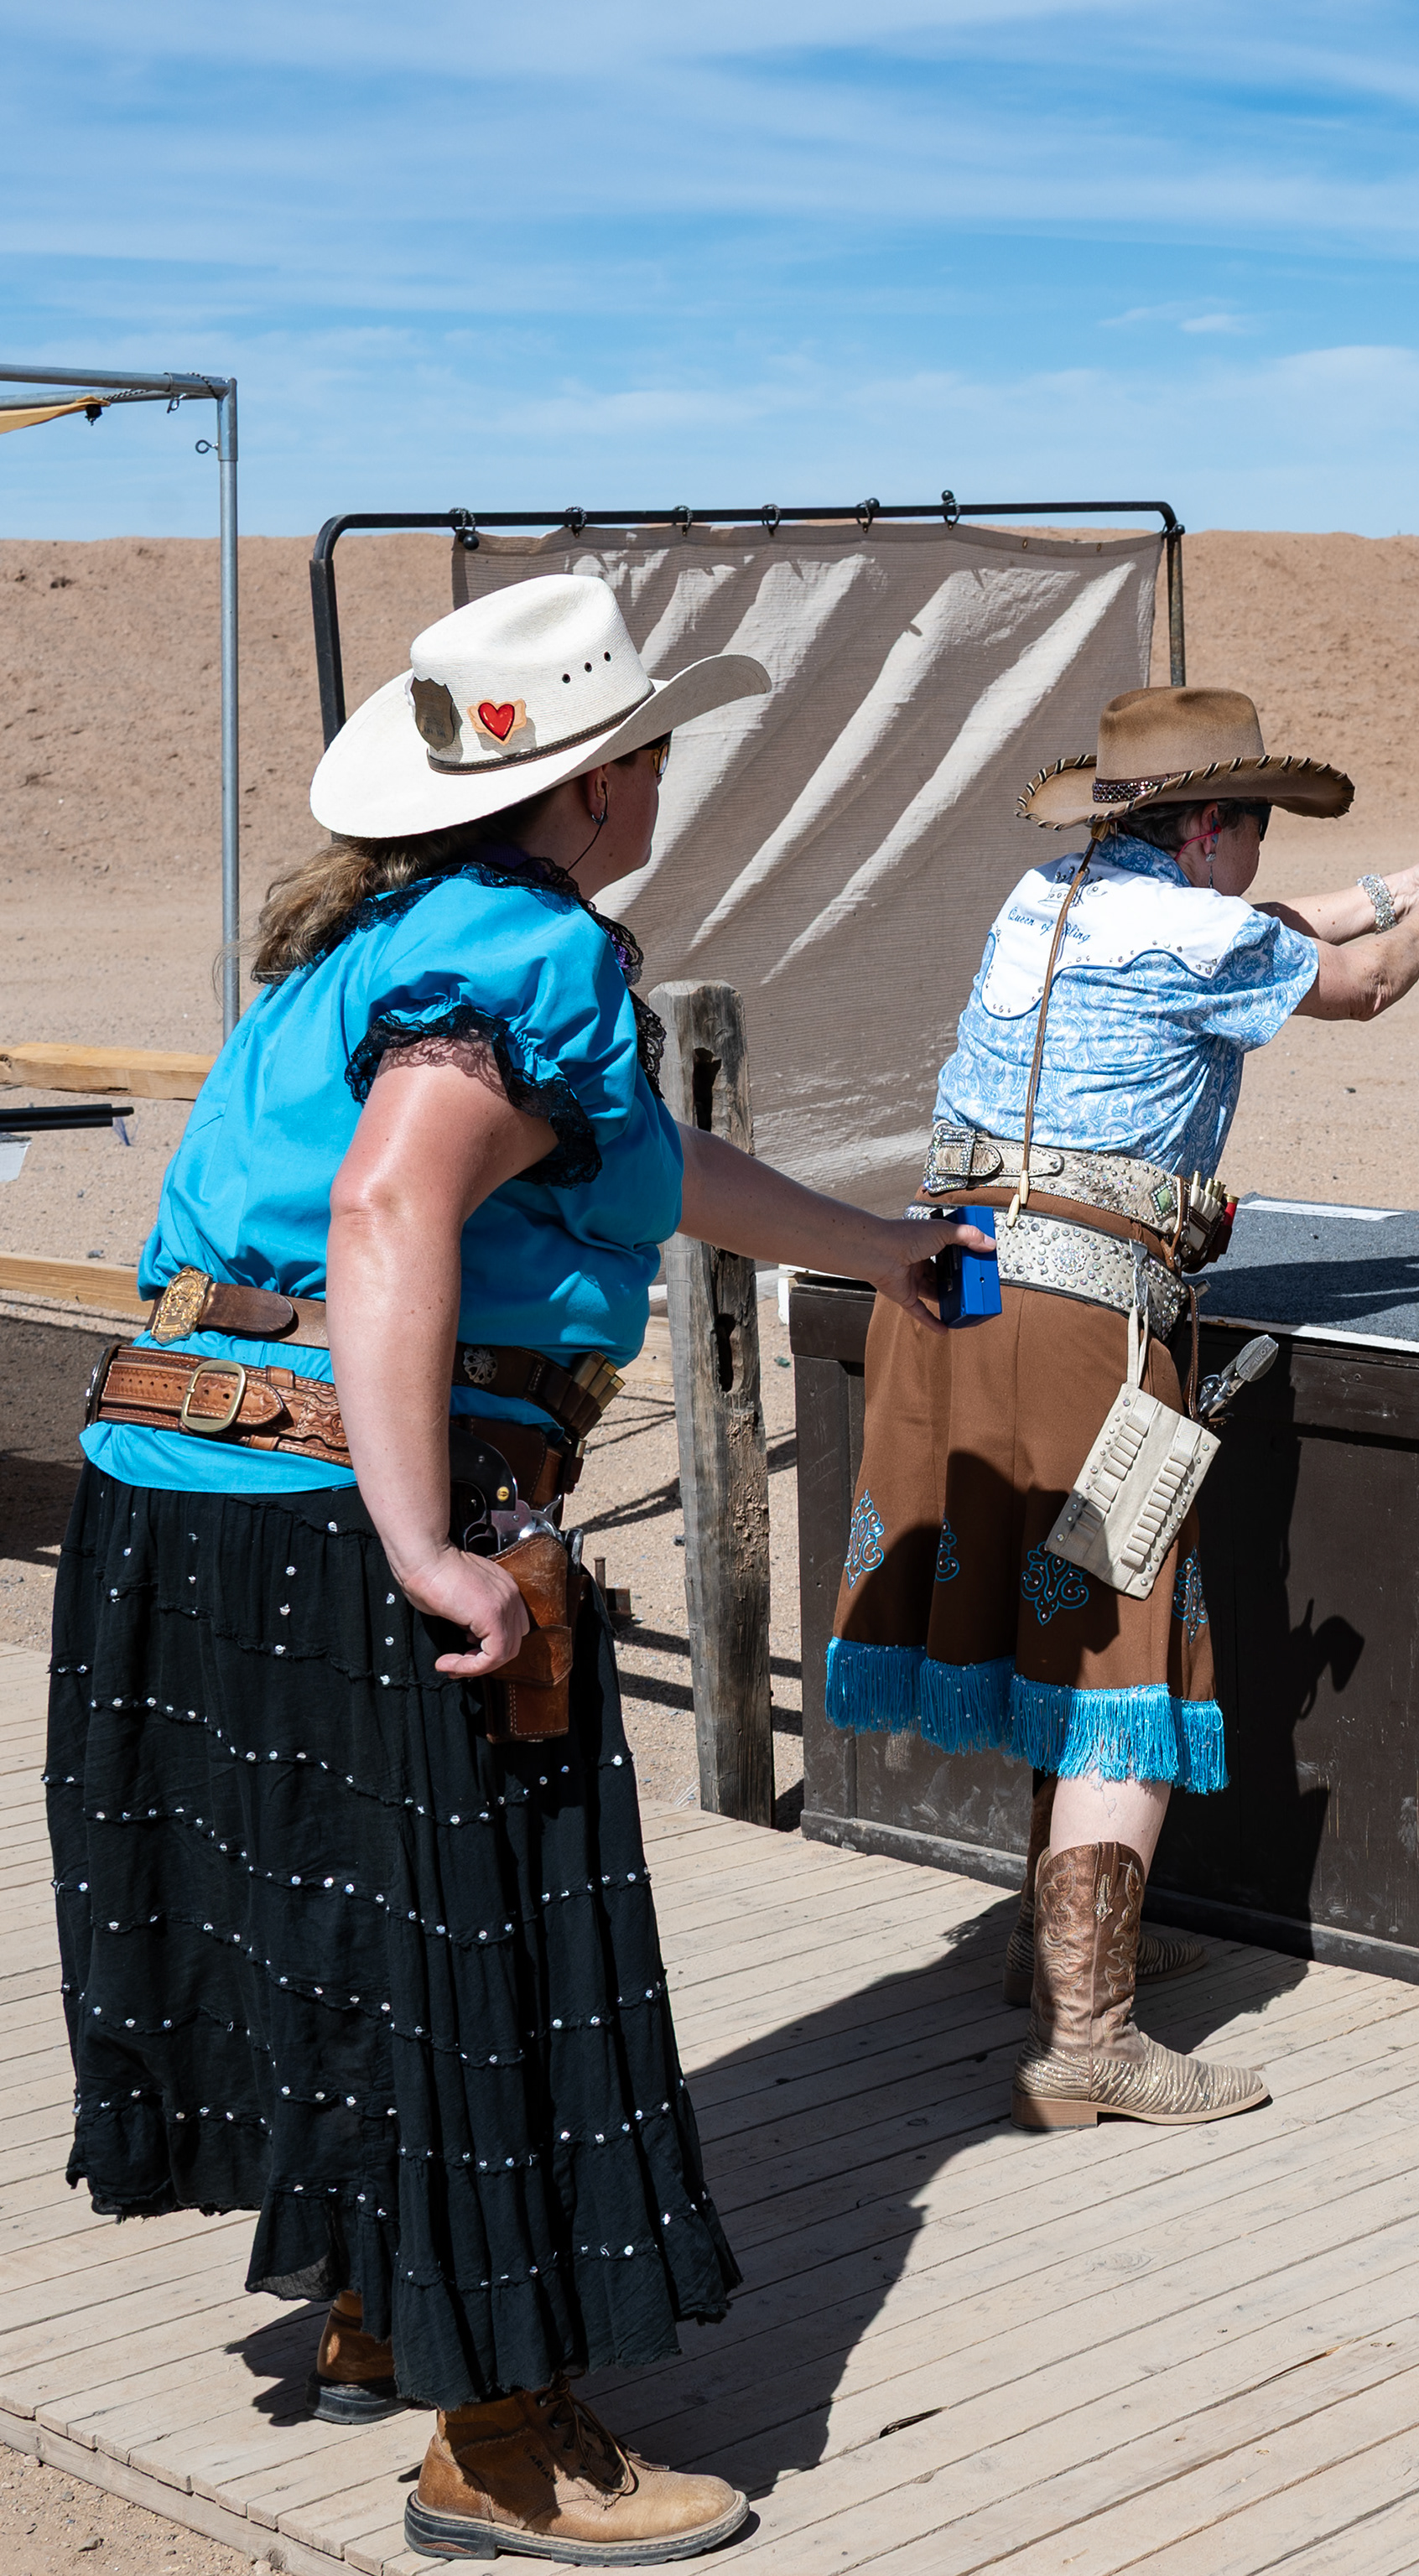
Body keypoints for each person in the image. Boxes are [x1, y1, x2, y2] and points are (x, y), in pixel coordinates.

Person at [53, 574, 985, 2566]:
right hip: (352, 1503)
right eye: (650, 751)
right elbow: (395, 1205)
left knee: (344, 1923)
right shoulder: (528, 946)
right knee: (489, 1948)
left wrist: (879, 1251)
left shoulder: (389, 940)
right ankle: (505, 2448)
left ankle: (389, 2298)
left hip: (182, 1490)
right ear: (600, 780)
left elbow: (642, 1164)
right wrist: (422, 1537)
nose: (661, 779)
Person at [825, 684, 1419, 2130]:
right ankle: (1090, 2042)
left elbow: (1271, 926)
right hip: (1074, 1321)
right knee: (1119, 1647)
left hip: (954, 1289)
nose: (1261, 849)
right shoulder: (1202, 931)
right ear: (1207, 826)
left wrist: (1406, 883)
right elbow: (1352, 984)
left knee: (1054, 1618)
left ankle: (1052, 1952)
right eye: (1252, 823)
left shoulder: (1051, 898)